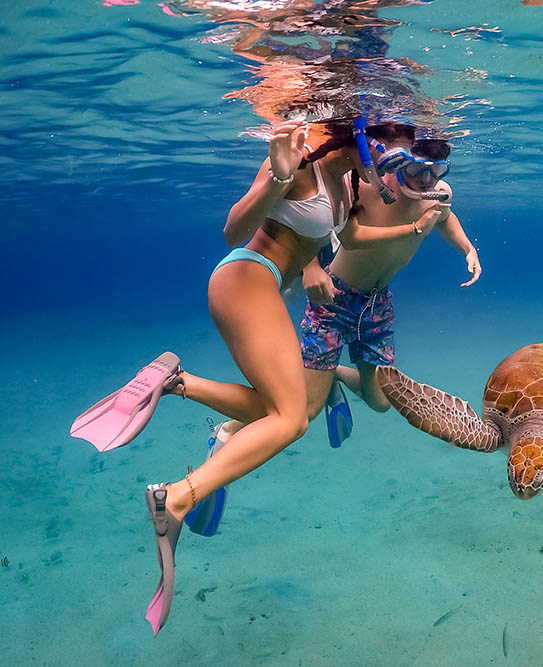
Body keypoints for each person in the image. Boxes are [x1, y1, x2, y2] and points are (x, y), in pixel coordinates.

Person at [69, 118, 417, 635]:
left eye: (403, 160)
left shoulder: (347, 185)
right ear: (364, 139)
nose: (395, 169)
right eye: (393, 153)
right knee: (293, 420)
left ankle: (175, 382)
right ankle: (177, 497)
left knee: (279, 410)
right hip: (245, 276)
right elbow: (234, 228)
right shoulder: (300, 165)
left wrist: (413, 229)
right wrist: (275, 180)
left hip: (264, 282)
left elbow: (348, 236)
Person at [299, 137, 481, 437]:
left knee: (382, 402)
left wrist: (467, 249)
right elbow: (315, 217)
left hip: (377, 305)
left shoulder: (438, 194)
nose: (425, 180)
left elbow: (445, 217)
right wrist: (310, 266)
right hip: (334, 298)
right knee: (308, 409)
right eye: (416, 169)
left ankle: (334, 376)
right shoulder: (367, 187)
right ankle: (232, 429)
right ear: (398, 161)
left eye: (436, 171)